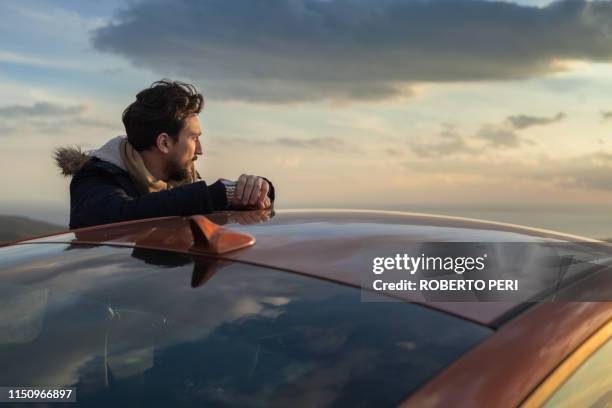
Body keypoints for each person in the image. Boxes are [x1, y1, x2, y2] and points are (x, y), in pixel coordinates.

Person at [55, 79, 274, 229]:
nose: (200, 150)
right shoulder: (96, 179)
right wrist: (218, 194)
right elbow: (121, 215)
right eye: (194, 138)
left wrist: (257, 189)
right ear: (164, 142)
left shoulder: (180, 182)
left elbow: (178, 204)